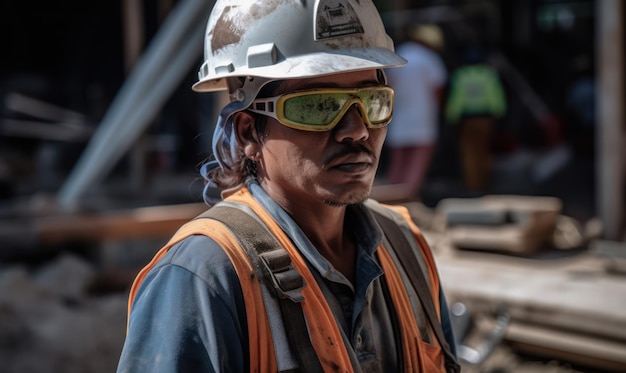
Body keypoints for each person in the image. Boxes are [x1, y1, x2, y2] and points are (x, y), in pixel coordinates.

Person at [117, 1, 459, 372]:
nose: (358, 130)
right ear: (248, 131)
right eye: (317, 107)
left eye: (372, 102)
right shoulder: (204, 277)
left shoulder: (406, 246)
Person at [384, 24, 447, 201]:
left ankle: (391, 199)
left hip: (398, 118)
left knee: (398, 164)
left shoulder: (398, 55)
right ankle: (409, 197)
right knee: (417, 164)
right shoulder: (430, 59)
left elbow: (387, 85)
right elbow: (438, 90)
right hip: (423, 119)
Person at [445, 46, 507, 192]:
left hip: (467, 120)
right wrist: (500, 114)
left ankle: (473, 185)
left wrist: (452, 117)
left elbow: (457, 99)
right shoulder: (489, 74)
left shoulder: (461, 75)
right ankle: (485, 183)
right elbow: (496, 97)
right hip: (486, 119)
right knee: (485, 151)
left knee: (469, 153)